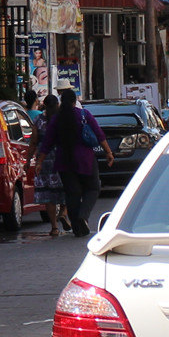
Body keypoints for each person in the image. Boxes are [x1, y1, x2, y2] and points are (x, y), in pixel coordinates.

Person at [38, 88, 112, 236]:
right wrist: (108, 152)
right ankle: (83, 217)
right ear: (74, 101)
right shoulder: (84, 115)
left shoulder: (56, 119)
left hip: (64, 162)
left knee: (73, 194)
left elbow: (47, 143)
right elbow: (99, 134)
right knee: (93, 188)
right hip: (85, 159)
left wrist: (39, 162)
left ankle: (77, 229)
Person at [32, 95, 68, 236]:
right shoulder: (62, 119)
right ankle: (64, 213)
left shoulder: (38, 120)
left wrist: (30, 160)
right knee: (67, 189)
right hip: (62, 158)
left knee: (48, 196)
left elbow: (34, 142)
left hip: (44, 160)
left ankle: (54, 227)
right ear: (57, 104)